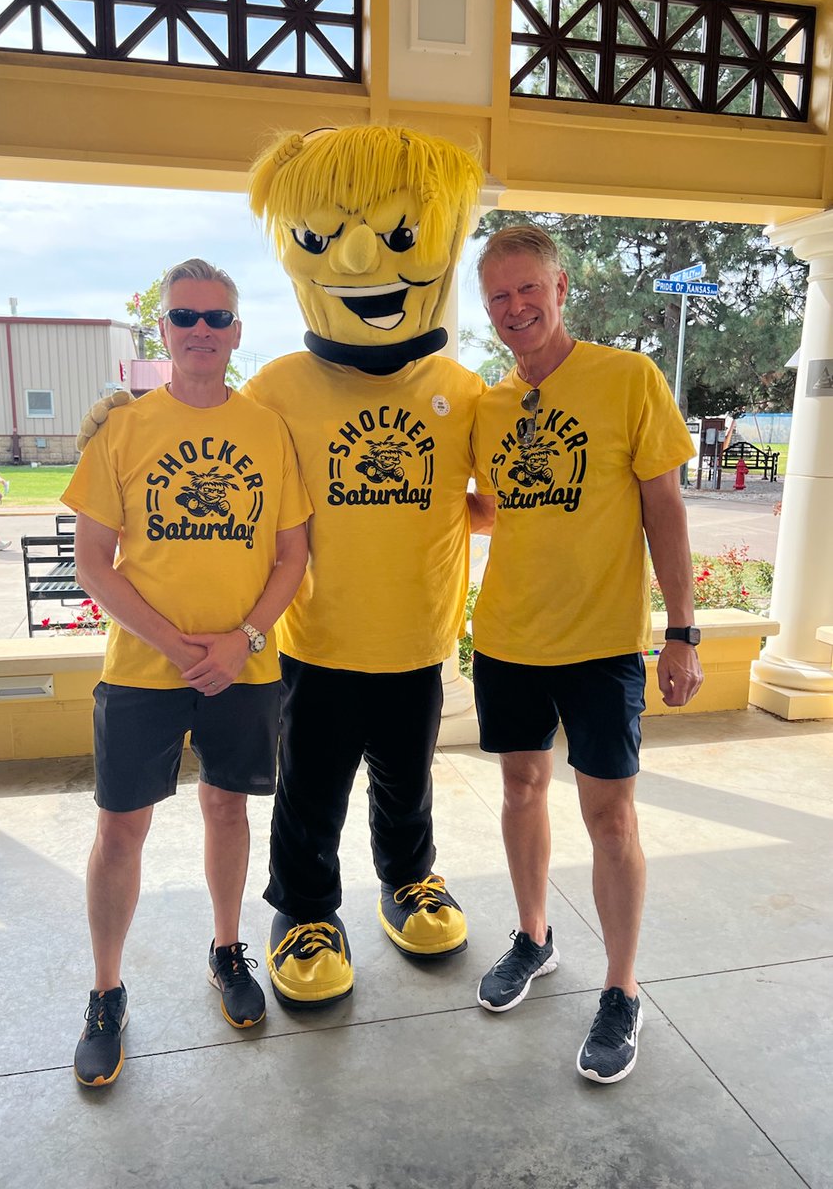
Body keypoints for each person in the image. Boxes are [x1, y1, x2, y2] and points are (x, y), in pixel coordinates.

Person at [243, 125, 490, 1008]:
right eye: (322, 239)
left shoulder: (460, 389)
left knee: (407, 777)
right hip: (319, 634)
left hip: (417, 636)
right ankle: (306, 908)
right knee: (308, 789)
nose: (358, 258)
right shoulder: (275, 387)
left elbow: (493, 499)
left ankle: (407, 878)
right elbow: (236, 483)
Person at [62, 258, 311, 1088]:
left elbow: (292, 553)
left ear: (237, 332)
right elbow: (94, 563)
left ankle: (226, 948)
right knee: (120, 831)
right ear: (163, 329)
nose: (201, 330)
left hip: (242, 665)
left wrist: (241, 639)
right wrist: (177, 646)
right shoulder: (124, 432)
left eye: (217, 318)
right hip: (143, 668)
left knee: (228, 811)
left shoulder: (267, 430)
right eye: (185, 317)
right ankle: (106, 993)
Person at [470, 225, 703, 1084]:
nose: (515, 307)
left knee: (611, 818)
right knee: (521, 789)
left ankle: (621, 987)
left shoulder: (627, 378)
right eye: (498, 296)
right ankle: (534, 938)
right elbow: (490, 505)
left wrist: (681, 631)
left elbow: (665, 508)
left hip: (603, 646)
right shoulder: (491, 408)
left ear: (562, 288)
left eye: (528, 288)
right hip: (507, 639)